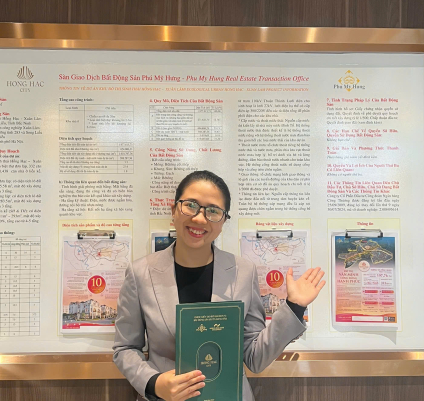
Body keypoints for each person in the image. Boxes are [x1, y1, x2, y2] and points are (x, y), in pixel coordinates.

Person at [113, 170, 325, 401]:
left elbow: (254, 358)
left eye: (213, 211)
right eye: (190, 205)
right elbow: (125, 348)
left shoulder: (243, 272)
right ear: (174, 210)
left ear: (223, 221)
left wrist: (294, 307)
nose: (199, 219)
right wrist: (154, 383)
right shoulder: (140, 273)